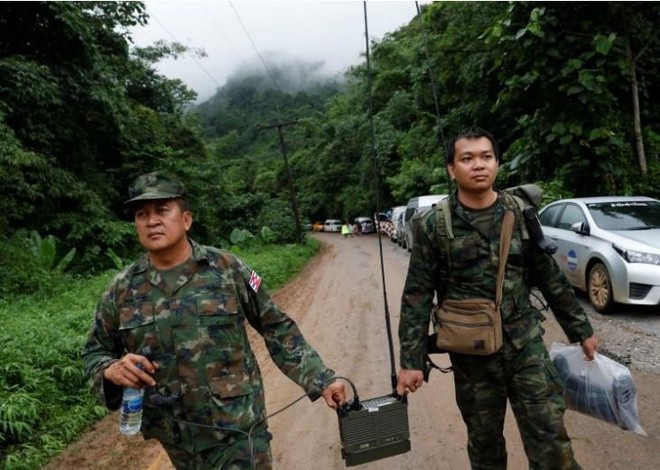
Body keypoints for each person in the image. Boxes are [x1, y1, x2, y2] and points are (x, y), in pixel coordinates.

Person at [82, 172, 346, 470]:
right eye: (142, 214)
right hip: (176, 440)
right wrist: (111, 370)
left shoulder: (227, 269)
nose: (151, 221)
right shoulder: (122, 289)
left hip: (238, 430)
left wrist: (320, 378)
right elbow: (93, 353)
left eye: (161, 210)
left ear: (186, 219)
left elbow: (276, 326)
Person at [396, 127, 598, 469]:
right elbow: (417, 294)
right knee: (485, 446)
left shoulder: (520, 214)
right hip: (472, 356)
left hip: (525, 347)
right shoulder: (433, 225)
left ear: (497, 164)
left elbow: (549, 276)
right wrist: (411, 361)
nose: (478, 165)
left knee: (551, 440)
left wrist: (581, 330)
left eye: (486, 157)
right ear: (451, 168)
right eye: (467, 158)